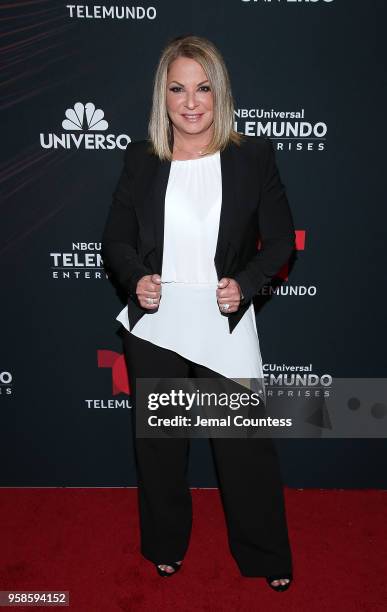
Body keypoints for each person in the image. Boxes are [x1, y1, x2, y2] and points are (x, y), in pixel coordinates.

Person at [102, 35, 295, 591]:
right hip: (158, 319)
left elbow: (281, 242)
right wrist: (137, 278)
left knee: (245, 450)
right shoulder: (141, 161)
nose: (191, 102)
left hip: (223, 316)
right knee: (160, 448)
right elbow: (114, 239)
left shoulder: (253, 157)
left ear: (220, 93)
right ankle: (165, 545)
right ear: (162, 97)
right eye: (178, 89)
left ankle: (265, 554)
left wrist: (247, 283)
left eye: (203, 88)